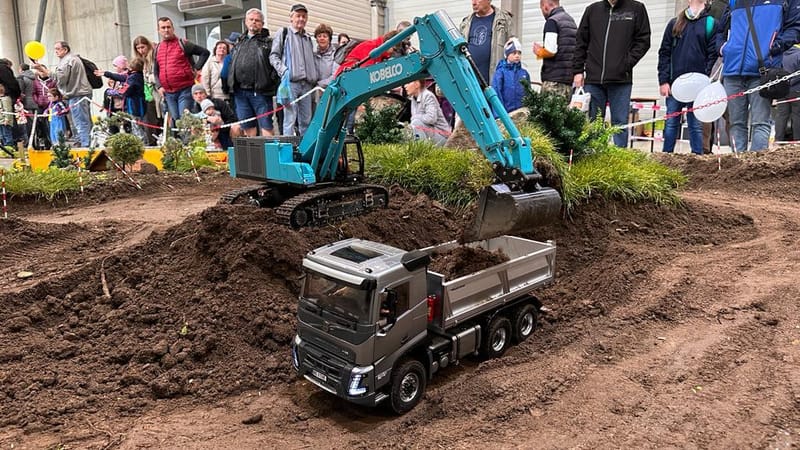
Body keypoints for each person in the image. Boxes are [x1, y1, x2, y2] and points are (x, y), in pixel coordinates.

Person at [721, 0, 800, 152]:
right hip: (733, 68)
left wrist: (775, 46)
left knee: (760, 122)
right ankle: (737, 162)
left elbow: (795, 27)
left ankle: (755, 164)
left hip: (762, 69)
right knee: (736, 123)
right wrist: (724, 48)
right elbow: (721, 30)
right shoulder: (734, 2)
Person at [573, 0, 651, 148]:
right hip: (594, 80)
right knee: (594, 123)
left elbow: (643, 41)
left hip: (621, 80)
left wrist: (626, 63)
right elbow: (580, 42)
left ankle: (619, 157)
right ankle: (594, 155)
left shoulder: (636, 9)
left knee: (620, 123)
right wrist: (578, 70)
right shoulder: (592, 10)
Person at [657, 0, 718, 155]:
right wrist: (663, 81)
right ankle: (666, 156)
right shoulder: (675, 23)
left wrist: (704, 78)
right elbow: (664, 53)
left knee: (695, 124)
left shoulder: (711, 24)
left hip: (697, 85)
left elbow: (713, 54)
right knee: (671, 123)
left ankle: (697, 157)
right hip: (675, 83)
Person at [227, 8, 278, 137]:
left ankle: (269, 150)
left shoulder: (269, 43)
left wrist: (270, 82)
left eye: (257, 20)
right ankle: (253, 150)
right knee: (247, 126)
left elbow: (275, 65)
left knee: (266, 125)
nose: (254, 22)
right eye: (251, 19)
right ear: (245, 21)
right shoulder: (239, 42)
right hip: (240, 92)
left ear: (262, 24)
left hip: (261, 92)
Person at [270, 3, 319, 136]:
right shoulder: (284, 33)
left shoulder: (308, 38)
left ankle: (304, 147)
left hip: (307, 85)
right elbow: (273, 56)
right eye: (298, 16)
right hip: (290, 84)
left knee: (306, 121)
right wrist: (284, 71)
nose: (301, 19)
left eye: (304, 16)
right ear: (291, 17)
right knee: (289, 120)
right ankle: (289, 146)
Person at [34, 41, 93, 147]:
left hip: (77, 93)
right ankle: (85, 141)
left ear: (65, 49)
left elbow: (60, 78)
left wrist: (43, 70)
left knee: (80, 121)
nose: (56, 51)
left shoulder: (67, 60)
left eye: (58, 49)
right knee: (82, 120)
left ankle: (85, 144)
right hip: (78, 92)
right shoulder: (71, 59)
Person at [153, 17, 210, 124]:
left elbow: (205, 53)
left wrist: (196, 68)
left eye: (168, 27)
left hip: (185, 89)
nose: (166, 30)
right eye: (163, 28)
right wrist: (159, 86)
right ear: (158, 30)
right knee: (176, 120)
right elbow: (155, 70)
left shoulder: (183, 44)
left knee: (185, 119)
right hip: (168, 93)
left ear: (173, 28)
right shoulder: (157, 48)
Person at [460, 0, 515, 83]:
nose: (473, 3)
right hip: (470, 82)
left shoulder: (504, 20)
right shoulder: (466, 23)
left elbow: (513, 51)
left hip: (494, 81)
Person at [533, 0, 577, 99]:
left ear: (545, 7)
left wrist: (539, 51)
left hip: (554, 83)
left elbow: (551, 50)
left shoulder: (552, 21)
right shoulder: (570, 21)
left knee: (548, 109)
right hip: (568, 82)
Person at [97, 57, 147, 142]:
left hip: (136, 106)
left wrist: (110, 92)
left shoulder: (134, 77)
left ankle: (142, 142)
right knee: (136, 125)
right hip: (135, 105)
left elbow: (124, 91)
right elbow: (120, 77)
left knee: (137, 126)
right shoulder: (133, 75)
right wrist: (106, 73)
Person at [189, 84, 239, 149]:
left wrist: (219, 126)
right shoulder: (194, 110)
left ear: (206, 94)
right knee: (193, 129)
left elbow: (232, 119)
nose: (199, 96)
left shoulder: (219, 103)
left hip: (224, 130)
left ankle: (235, 150)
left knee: (236, 127)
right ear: (193, 97)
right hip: (206, 133)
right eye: (196, 94)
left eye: (201, 93)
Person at [405, 78, 451, 146]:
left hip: (442, 135)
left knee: (416, 123)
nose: (405, 86)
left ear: (417, 84)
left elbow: (431, 118)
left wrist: (415, 117)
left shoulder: (428, 95)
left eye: (408, 83)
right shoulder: (413, 99)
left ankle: (423, 150)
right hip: (430, 132)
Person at [133, 35, 161, 145]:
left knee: (159, 117)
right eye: (138, 48)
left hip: (158, 91)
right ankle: (152, 141)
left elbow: (157, 75)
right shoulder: (142, 60)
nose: (141, 50)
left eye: (142, 47)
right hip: (148, 94)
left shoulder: (154, 56)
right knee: (149, 120)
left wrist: (150, 78)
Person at [334, 30, 400, 76]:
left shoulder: (380, 52)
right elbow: (367, 72)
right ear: (387, 43)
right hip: (346, 76)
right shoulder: (370, 46)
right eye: (394, 49)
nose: (393, 52)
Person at [492, 37, 530, 113]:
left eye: (519, 53)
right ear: (507, 55)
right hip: (506, 113)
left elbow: (528, 93)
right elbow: (497, 93)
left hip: (522, 113)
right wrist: (499, 114)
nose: (517, 56)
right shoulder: (500, 72)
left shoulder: (524, 73)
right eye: (514, 53)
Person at [774, 44, 800, 142]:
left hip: (781, 91)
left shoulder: (780, 56)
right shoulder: (798, 54)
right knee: (797, 116)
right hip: (796, 90)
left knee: (781, 115)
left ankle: (778, 139)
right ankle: (797, 140)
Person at [31, 64, 56, 149]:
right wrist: (37, 101)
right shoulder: (36, 82)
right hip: (40, 105)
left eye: (42, 71)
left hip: (50, 105)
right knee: (41, 124)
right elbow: (34, 93)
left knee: (50, 124)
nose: (41, 73)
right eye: (40, 71)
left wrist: (51, 101)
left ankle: (53, 141)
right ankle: (45, 142)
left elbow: (55, 91)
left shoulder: (52, 81)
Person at [202, 40, 231, 107]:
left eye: (224, 48)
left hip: (229, 96)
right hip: (215, 96)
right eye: (219, 47)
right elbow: (205, 79)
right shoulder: (209, 63)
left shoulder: (230, 62)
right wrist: (208, 94)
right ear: (215, 50)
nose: (222, 49)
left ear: (227, 51)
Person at [314, 24, 338, 93]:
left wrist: (319, 84)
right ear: (316, 39)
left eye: (325, 36)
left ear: (329, 39)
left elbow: (335, 75)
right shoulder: (313, 55)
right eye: (319, 36)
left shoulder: (335, 54)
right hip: (314, 91)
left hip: (329, 91)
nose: (322, 38)